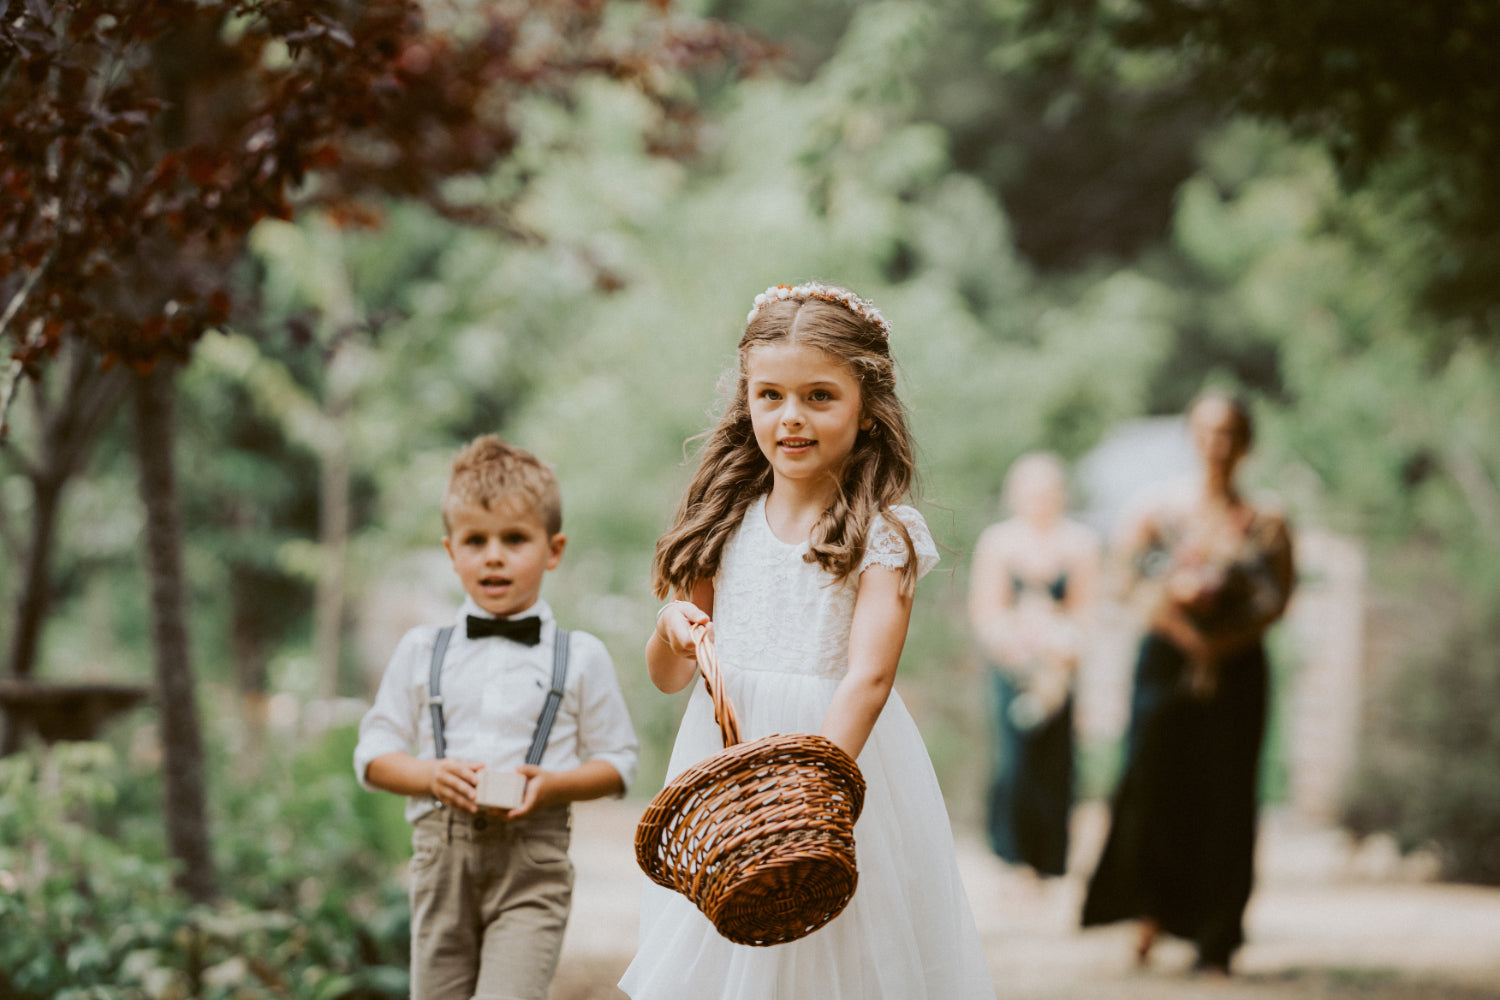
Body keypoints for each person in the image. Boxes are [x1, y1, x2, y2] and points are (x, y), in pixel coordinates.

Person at [618, 282, 995, 999]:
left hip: (833, 762)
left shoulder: (883, 532)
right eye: (770, 396)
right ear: (748, 402)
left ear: (867, 408)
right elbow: (670, 676)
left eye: (819, 396)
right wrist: (672, 627)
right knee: (724, 946)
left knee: (840, 955)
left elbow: (869, 677)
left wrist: (810, 788)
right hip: (728, 769)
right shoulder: (722, 519)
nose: (791, 418)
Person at [353, 434, 639, 1000]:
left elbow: (619, 762)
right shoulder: (420, 650)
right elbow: (372, 755)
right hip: (441, 863)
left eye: (514, 539)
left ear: (552, 550)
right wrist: (429, 775)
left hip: (532, 866)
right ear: (451, 551)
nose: (493, 555)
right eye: (475, 541)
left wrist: (557, 785)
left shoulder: (580, 656)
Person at [1080, 389, 1295, 975]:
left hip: (1239, 666)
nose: (1216, 444)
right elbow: (1123, 582)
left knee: (1227, 794)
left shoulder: (1268, 518)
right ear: (1191, 436)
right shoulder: (1155, 509)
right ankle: (1147, 913)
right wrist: (1187, 633)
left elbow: (1278, 599)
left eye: (1228, 433)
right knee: (1154, 785)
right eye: (1205, 430)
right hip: (1167, 660)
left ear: (1245, 443)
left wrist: (1222, 645)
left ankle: (1217, 932)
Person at [968, 451, 1100, 881]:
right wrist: (1016, 648)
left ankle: (1051, 862)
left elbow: (1086, 611)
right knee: (1014, 763)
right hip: (1011, 667)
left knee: (1057, 762)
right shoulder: (999, 542)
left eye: (1048, 489)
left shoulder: (1081, 543)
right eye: (1031, 490)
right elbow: (986, 612)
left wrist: (1060, 650)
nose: (1040, 498)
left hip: (1060, 669)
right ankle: (1013, 860)